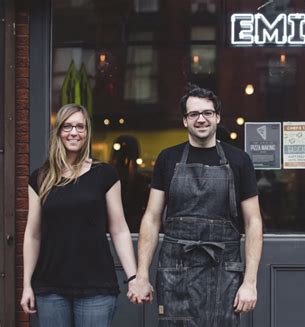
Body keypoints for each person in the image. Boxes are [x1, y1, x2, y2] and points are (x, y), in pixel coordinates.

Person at [129, 85, 263, 326]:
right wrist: (141, 275)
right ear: (185, 120)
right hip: (175, 270)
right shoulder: (167, 158)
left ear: (217, 117)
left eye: (207, 113)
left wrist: (250, 282)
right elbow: (151, 217)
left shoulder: (239, 160)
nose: (201, 119)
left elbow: (253, 222)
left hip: (225, 270)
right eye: (193, 114)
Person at [20, 104, 137, 327]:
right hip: (50, 287)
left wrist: (133, 278)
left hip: (96, 287)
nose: (74, 132)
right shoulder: (41, 177)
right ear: (58, 132)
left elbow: (119, 230)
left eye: (80, 127)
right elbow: (33, 235)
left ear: (87, 133)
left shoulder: (105, 174)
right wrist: (27, 284)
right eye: (67, 126)